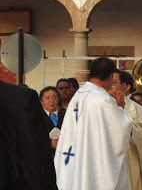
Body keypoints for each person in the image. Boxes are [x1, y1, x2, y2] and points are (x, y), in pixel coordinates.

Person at [54, 57, 134, 190]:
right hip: (93, 160)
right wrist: (120, 109)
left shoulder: (78, 95)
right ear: (110, 76)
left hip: (76, 157)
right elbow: (122, 129)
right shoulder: (103, 100)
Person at [0, 80, 57, 190]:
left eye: (54, 97)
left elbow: (34, 156)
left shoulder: (22, 99)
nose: (51, 100)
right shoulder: (20, 98)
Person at [108, 69, 142, 190]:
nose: (108, 85)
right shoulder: (98, 106)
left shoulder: (136, 109)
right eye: (107, 81)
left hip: (128, 162)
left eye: (113, 82)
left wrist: (121, 114)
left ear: (123, 86)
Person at [39, 86, 65, 152]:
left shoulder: (66, 115)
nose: (51, 101)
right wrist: (49, 143)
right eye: (48, 98)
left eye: (54, 97)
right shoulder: (36, 117)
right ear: (41, 101)